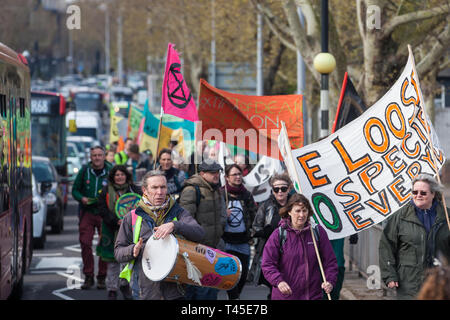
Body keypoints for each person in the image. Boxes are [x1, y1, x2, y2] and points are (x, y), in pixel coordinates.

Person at [114, 170, 205, 300]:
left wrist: (175, 225)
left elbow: (199, 233)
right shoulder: (132, 217)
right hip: (146, 290)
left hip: (175, 290)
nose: (160, 192)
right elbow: (118, 252)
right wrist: (133, 250)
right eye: (154, 187)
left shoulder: (178, 211)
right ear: (144, 190)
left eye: (163, 187)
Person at [379, 173, 450, 299]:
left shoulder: (447, 216)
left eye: (423, 193)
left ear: (433, 194)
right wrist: (389, 275)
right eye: (414, 192)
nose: (418, 195)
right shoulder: (400, 216)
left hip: (440, 283)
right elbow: (387, 246)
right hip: (408, 283)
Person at [261, 193, 338, 300]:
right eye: (297, 211)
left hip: (313, 295)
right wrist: (279, 281)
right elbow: (267, 264)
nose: (301, 215)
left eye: (304, 210)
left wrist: (329, 281)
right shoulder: (278, 234)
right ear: (289, 211)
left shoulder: (317, 232)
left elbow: (330, 262)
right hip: (285, 296)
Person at [179, 160, 227, 300]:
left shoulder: (216, 189)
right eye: (212, 173)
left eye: (217, 172)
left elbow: (220, 216)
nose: (216, 175)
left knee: (210, 287)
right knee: (199, 289)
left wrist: (220, 230)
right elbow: (186, 220)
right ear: (202, 173)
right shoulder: (192, 190)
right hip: (197, 248)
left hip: (213, 247)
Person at [97, 165, 142, 300]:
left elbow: (142, 206)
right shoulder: (105, 191)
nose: (120, 177)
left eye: (122, 174)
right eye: (117, 175)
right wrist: (115, 221)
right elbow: (102, 209)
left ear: (126, 176)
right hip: (111, 230)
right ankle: (112, 289)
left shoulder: (135, 190)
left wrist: (130, 221)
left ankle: (124, 285)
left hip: (131, 231)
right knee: (112, 262)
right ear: (113, 177)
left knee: (128, 259)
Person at [72, 146, 113, 289]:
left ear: (104, 156)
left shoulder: (111, 170)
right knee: (85, 242)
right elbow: (75, 190)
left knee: (105, 244)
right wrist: (81, 198)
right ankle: (88, 276)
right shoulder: (84, 171)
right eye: (94, 155)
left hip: (104, 213)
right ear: (90, 157)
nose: (97, 158)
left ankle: (102, 277)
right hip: (87, 212)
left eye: (99, 155)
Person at [248, 172, 292, 298]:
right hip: (271, 251)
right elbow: (255, 228)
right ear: (272, 190)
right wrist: (266, 232)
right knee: (274, 284)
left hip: (292, 250)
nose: (280, 192)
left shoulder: (296, 204)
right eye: (276, 189)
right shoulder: (266, 206)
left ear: (289, 188)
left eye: (283, 188)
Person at [221, 164, 257, 300]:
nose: (238, 177)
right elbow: (214, 216)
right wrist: (223, 215)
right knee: (230, 273)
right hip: (226, 241)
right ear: (226, 177)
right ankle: (233, 298)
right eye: (234, 174)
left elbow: (254, 215)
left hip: (243, 241)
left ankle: (236, 296)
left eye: (239, 174)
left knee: (242, 274)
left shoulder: (246, 194)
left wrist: (253, 232)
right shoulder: (220, 194)